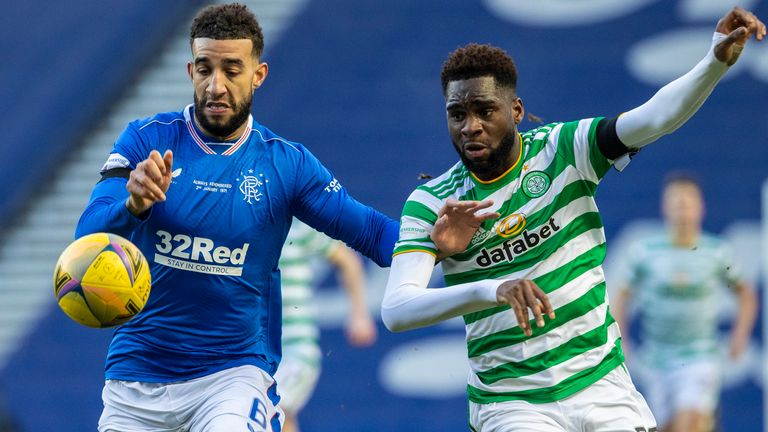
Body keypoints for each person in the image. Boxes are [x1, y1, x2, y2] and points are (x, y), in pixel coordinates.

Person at [74, 3, 489, 431]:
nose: (216, 85)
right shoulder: (145, 140)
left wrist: (432, 243)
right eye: (205, 68)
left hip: (232, 378)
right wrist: (133, 205)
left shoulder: (285, 165)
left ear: (259, 74)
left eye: (232, 69)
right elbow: (85, 240)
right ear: (189, 71)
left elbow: (368, 232)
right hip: (135, 378)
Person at [381, 7, 765, 432]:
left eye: (485, 111)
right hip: (510, 401)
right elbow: (397, 310)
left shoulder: (566, 150)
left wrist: (713, 63)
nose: (471, 126)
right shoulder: (433, 201)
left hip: (601, 384)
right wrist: (493, 287)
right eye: (457, 114)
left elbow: (656, 117)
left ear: (517, 110)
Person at [611, 172, 757, 432]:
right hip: (657, 361)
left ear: (700, 208)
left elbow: (746, 294)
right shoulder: (645, 253)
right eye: (676, 202)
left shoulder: (716, 252)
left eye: (687, 202)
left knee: (688, 424)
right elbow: (621, 296)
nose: (682, 209)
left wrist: (740, 335)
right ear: (665, 207)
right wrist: (622, 339)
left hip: (700, 358)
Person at [275, 219, 377, 432]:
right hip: (255, 351)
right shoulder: (242, 223)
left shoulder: (297, 226)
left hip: (296, 348)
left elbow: (347, 260)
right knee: (278, 416)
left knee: (272, 408)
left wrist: (359, 315)